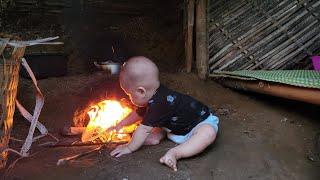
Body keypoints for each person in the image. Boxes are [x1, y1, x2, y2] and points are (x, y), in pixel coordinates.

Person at [110, 56, 219, 171]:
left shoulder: (159, 103)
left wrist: (129, 148)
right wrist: (121, 124)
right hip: (177, 126)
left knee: (208, 133)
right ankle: (156, 137)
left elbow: (143, 129)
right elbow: (138, 113)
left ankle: (176, 153)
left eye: (129, 94)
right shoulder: (155, 95)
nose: (129, 98)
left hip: (199, 124)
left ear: (141, 91)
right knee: (157, 123)